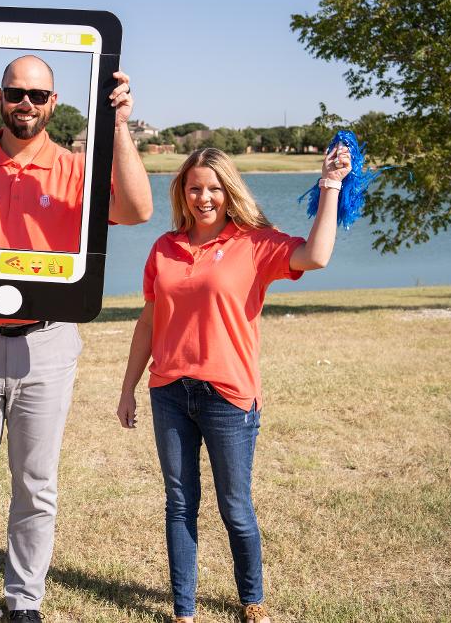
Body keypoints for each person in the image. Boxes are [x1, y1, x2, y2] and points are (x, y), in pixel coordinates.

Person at [0, 55, 153, 622]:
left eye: (39, 96)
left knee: (36, 485)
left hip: (48, 346)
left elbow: (138, 209)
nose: (27, 104)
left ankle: (24, 603)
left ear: (54, 103)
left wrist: (118, 126)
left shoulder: (76, 172)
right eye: (17, 93)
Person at [115, 145, 352, 623]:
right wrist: (128, 388)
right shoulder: (164, 247)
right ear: (183, 191)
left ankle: (252, 599)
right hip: (169, 392)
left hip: (229, 396)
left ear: (229, 191)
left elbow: (318, 256)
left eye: (215, 187)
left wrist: (330, 185)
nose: (205, 197)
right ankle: (184, 610)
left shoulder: (255, 243)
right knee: (179, 504)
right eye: (195, 187)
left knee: (235, 507)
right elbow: (148, 321)